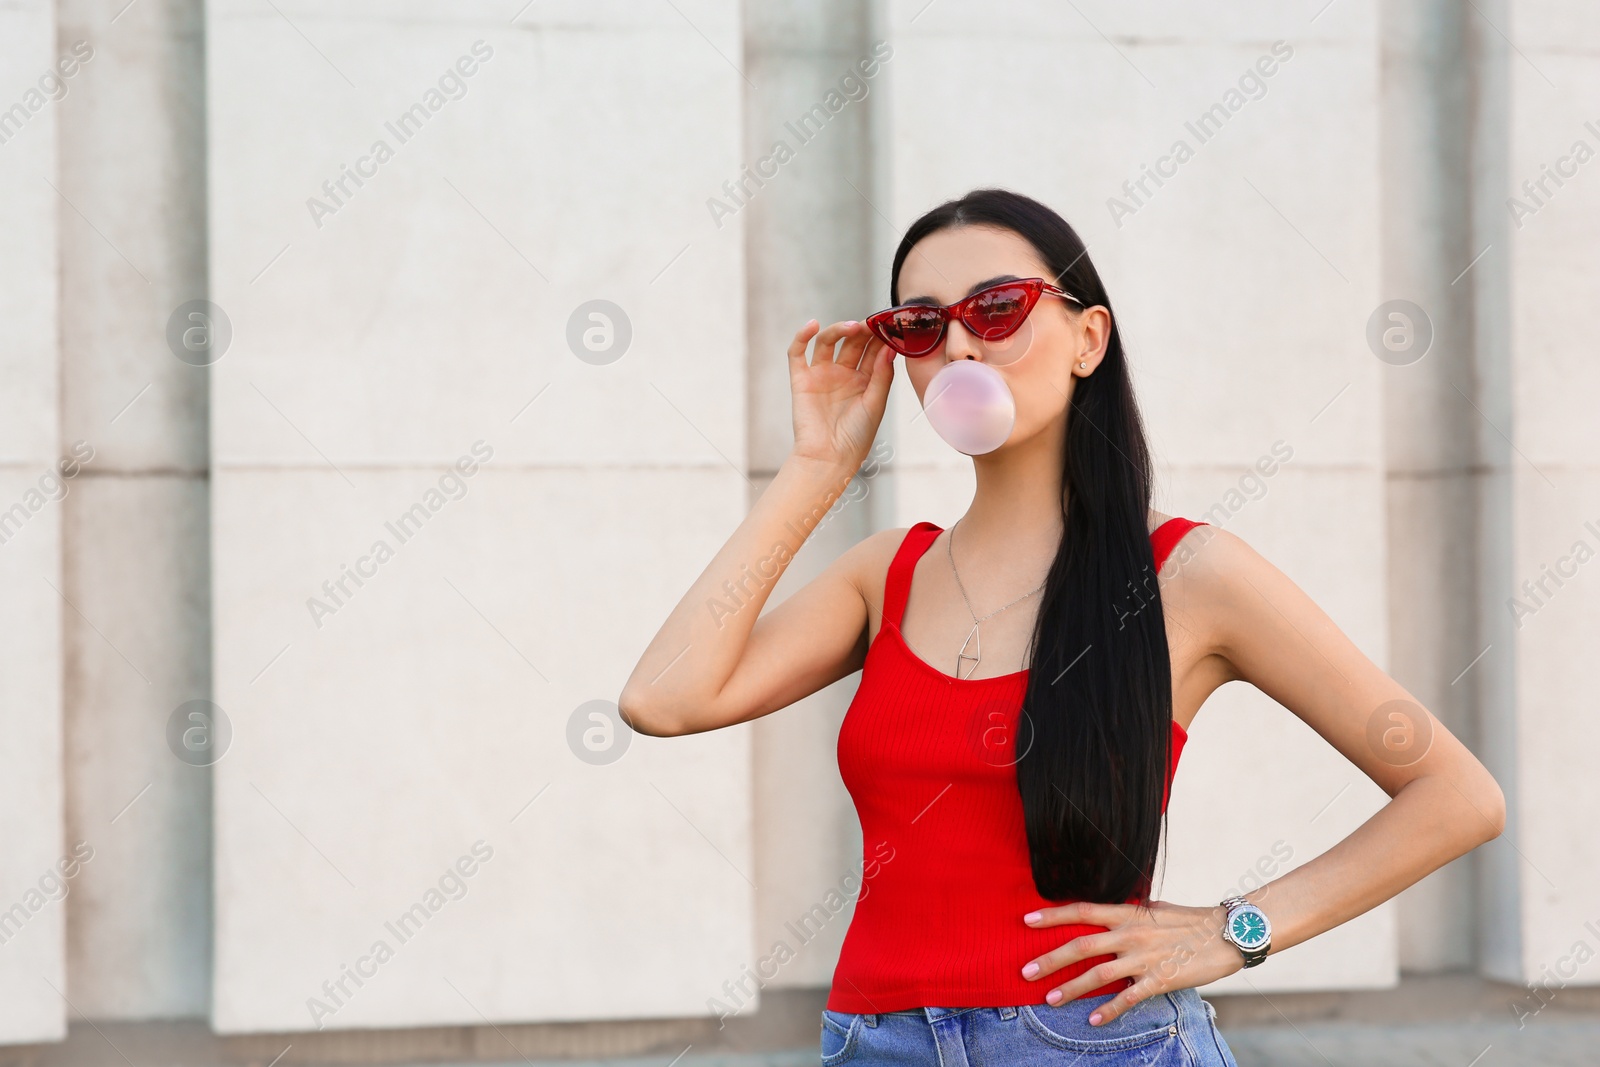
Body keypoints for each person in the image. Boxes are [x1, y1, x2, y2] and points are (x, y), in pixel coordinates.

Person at [618, 188, 1505, 1066]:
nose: (960, 341)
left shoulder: (1185, 573)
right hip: (873, 1042)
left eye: (997, 308)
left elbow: (1458, 796)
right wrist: (818, 465)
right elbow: (663, 698)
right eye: (919, 325)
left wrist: (1236, 932)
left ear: (1089, 339)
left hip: (1093, 1043)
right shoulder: (886, 575)